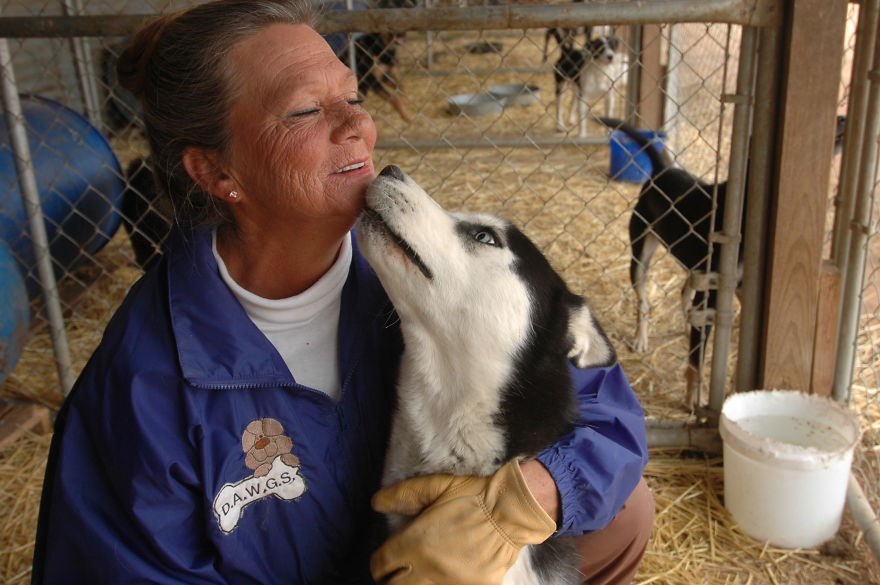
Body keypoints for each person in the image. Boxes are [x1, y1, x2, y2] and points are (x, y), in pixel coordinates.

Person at [31, 1, 654, 583]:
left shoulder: (414, 266)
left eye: (352, 96)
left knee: (621, 514)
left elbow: (608, 419)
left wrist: (531, 497)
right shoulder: (142, 390)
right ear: (217, 171)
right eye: (306, 111)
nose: (359, 123)